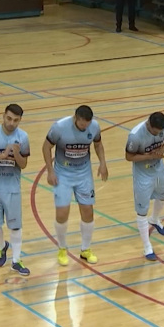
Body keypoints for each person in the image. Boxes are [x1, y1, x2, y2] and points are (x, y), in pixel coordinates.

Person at [43, 105, 108, 266]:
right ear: (75, 118)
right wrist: (50, 171)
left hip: (84, 174)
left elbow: (98, 144)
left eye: (87, 125)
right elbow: (46, 147)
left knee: (88, 212)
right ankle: (62, 248)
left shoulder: (94, 127)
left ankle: (85, 249)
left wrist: (103, 163)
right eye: (81, 125)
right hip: (63, 174)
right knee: (62, 213)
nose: (84, 127)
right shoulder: (59, 127)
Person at [0, 104, 31, 275]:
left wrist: (16, 153)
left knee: (15, 226)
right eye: (9, 118)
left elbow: (23, 164)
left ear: (20, 121)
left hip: (12, 188)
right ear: (3, 116)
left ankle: (16, 261)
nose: (11, 123)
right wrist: (2, 155)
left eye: (16, 120)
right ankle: (2, 246)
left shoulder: (23, 137)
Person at [126, 111, 164, 260]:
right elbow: (129, 156)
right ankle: (147, 247)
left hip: (158, 168)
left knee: (163, 195)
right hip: (142, 174)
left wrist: (160, 151)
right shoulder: (135, 135)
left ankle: (155, 219)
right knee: (141, 211)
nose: (158, 134)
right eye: (155, 132)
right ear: (148, 124)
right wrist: (149, 156)